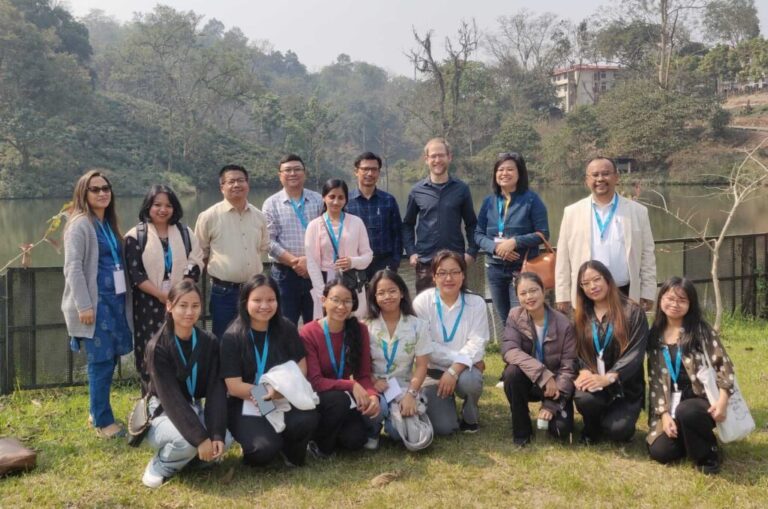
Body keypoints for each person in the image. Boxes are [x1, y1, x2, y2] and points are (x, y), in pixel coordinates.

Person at [61, 170, 133, 439]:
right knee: (100, 362)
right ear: (84, 193)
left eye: (106, 188)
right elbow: (73, 268)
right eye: (95, 189)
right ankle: (103, 423)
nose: (102, 193)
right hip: (95, 305)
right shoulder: (80, 224)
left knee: (111, 357)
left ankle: (96, 410)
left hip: (114, 302)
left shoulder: (108, 223)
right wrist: (83, 305)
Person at [220, 275, 319, 467]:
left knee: (307, 418)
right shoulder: (232, 336)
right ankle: (267, 444)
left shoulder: (287, 328)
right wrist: (266, 394)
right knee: (263, 449)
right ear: (245, 301)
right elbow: (233, 386)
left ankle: (290, 453)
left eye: (270, 300)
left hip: (282, 396)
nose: (265, 306)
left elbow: (301, 367)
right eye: (257, 300)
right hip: (247, 402)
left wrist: (280, 392)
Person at [142, 280, 228, 488]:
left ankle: (190, 460)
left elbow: (216, 388)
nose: (189, 312)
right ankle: (160, 465)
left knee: (226, 438)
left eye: (195, 306)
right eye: (182, 305)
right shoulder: (157, 347)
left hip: (192, 406)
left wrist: (215, 433)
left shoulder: (209, 341)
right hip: (162, 411)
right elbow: (171, 399)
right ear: (169, 306)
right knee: (189, 441)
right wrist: (200, 438)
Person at [646, 277, 734, 474]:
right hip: (671, 402)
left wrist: (722, 401)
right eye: (669, 298)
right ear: (661, 300)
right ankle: (691, 438)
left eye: (681, 300)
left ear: (690, 303)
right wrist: (664, 415)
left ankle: (708, 456)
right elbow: (655, 381)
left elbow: (724, 366)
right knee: (660, 451)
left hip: (702, 400)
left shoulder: (700, 330)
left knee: (688, 412)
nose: (674, 305)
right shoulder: (655, 335)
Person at [125, 185, 204, 391]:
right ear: (148, 206)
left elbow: (195, 261)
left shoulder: (185, 233)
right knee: (149, 349)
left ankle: (181, 394)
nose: (163, 209)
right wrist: (162, 295)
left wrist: (181, 291)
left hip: (181, 302)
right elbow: (136, 273)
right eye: (157, 204)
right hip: (148, 304)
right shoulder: (136, 235)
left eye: (168, 205)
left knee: (180, 344)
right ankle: (150, 399)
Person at [555, 157, 656, 313]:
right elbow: (563, 257)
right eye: (594, 175)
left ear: (616, 177)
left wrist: (648, 292)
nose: (600, 179)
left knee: (626, 337)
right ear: (586, 180)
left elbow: (647, 255)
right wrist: (562, 295)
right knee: (588, 337)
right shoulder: (572, 212)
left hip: (625, 291)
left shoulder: (638, 211)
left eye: (606, 173)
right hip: (587, 293)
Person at [299, 279, 380, 457]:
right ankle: (318, 444)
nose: (341, 307)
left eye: (347, 301)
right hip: (318, 398)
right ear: (323, 301)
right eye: (335, 300)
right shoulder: (308, 332)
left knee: (355, 441)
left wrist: (373, 396)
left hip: (342, 397)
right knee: (337, 400)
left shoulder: (359, 330)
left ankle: (332, 434)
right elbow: (315, 382)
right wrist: (351, 385)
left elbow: (364, 374)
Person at [413, 250, 489, 434]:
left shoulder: (476, 303)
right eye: (442, 273)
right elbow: (425, 345)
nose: (449, 278)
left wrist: (455, 370)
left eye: (455, 272)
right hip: (433, 370)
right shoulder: (422, 302)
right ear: (434, 276)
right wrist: (461, 360)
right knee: (443, 428)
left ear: (463, 275)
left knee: (471, 380)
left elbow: (477, 343)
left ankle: (470, 414)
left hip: (463, 372)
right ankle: (445, 403)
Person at [572, 260, 648, 444]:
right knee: (584, 398)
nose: (592, 286)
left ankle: (615, 418)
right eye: (586, 283)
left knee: (618, 431)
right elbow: (574, 349)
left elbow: (635, 353)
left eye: (596, 279)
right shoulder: (581, 315)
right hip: (594, 381)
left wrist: (610, 377)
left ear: (607, 279)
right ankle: (592, 426)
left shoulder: (633, 311)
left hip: (624, 386)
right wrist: (582, 370)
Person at [501, 272, 576, 446]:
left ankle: (553, 410)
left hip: (555, 385)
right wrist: (542, 374)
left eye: (533, 290)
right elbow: (509, 350)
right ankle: (522, 431)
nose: (529, 297)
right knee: (512, 372)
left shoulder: (563, 323)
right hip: (529, 380)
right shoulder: (515, 316)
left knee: (560, 431)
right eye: (523, 293)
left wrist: (551, 404)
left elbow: (568, 367)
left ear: (543, 291)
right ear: (518, 296)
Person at [194, 164, 269, 339]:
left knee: (255, 337)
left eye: (241, 180)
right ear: (222, 187)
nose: (237, 185)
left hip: (254, 290)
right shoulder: (208, 217)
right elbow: (200, 253)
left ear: (248, 184)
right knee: (224, 339)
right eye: (231, 181)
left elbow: (262, 248)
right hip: (223, 292)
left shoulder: (259, 217)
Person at [475, 152, 549, 324]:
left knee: (522, 318)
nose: (504, 173)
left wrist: (515, 242)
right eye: (500, 169)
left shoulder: (532, 200)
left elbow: (543, 234)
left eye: (510, 169)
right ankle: (510, 351)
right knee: (504, 320)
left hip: (522, 269)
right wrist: (496, 248)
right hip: (494, 270)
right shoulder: (489, 202)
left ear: (519, 173)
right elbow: (477, 234)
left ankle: (528, 350)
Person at [363, 269, 432, 449]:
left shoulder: (418, 326)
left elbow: (422, 365)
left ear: (402, 292)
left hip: (403, 386)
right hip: (374, 385)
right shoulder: (365, 326)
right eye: (381, 292)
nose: (387, 296)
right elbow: (359, 364)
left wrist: (411, 394)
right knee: (376, 407)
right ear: (374, 297)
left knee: (396, 434)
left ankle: (393, 423)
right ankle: (372, 432)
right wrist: (372, 380)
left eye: (392, 291)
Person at [403, 138, 478, 294]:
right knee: (425, 311)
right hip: (425, 262)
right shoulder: (417, 191)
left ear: (449, 157)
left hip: (455, 262)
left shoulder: (461, 189)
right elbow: (407, 224)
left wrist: (471, 252)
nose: (437, 160)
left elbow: (471, 223)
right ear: (426, 159)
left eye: (441, 155)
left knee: (458, 308)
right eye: (433, 156)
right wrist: (411, 252)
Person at [262, 155, 323, 324]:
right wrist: (296, 262)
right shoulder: (271, 204)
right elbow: (268, 241)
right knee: (284, 325)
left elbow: (326, 235)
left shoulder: (318, 200)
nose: (293, 173)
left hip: (316, 272)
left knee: (317, 324)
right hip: (284, 275)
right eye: (287, 170)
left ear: (305, 173)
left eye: (297, 169)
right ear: (280, 175)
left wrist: (309, 261)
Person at [305, 179, 373, 319]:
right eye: (332, 197)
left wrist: (352, 261)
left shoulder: (356, 222)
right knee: (329, 326)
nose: (336, 202)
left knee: (356, 322)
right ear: (324, 197)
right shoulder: (314, 225)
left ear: (346, 200)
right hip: (326, 280)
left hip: (352, 279)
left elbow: (368, 256)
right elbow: (312, 263)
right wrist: (322, 292)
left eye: (341, 197)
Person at [345, 152, 403, 278]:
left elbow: (397, 234)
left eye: (374, 169)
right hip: (356, 263)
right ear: (356, 171)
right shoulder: (346, 201)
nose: (370, 174)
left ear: (378, 172)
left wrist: (395, 262)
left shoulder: (388, 200)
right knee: (358, 298)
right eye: (365, 169)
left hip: (384, 262)